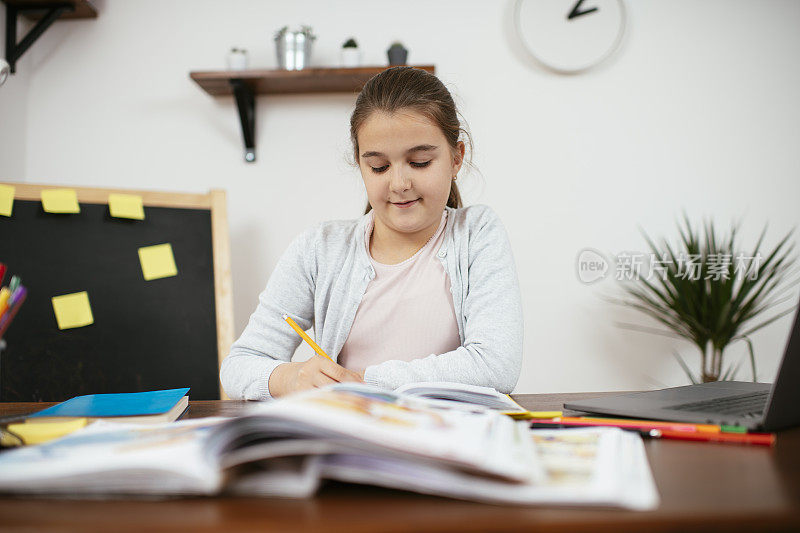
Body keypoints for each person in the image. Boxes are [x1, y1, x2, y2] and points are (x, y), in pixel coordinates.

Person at [220, 66, 523, 399]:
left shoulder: (477, 233)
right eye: (378, 167)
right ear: (360, 164)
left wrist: (364, 381)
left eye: (420, 161)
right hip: (348, 438)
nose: (399, 184)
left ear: (456, 158)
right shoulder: (320, 248)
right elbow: (238, 367)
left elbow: (496, 365)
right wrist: (290, 378)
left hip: (446, 440)